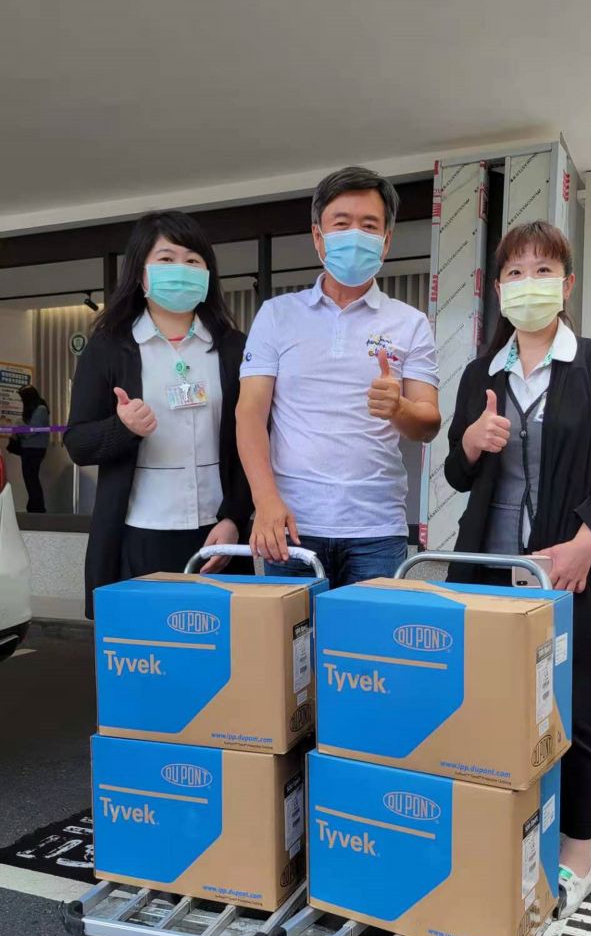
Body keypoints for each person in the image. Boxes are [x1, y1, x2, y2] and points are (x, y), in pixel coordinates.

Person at [444, 220, 591, 918]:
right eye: (514, 272)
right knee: (493, 705)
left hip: (575, 568)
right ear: (497, 288)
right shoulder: (482, 373)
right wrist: (472, 441)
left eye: (542, 271)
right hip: (491, 568)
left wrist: (587, 539)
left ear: (566, 284)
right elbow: (456, 472)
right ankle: (502, 832)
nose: (527, 284)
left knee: (573, 709)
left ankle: (575, 855)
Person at [236, 166, 441, 587]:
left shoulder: (411, 322)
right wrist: (265, 500)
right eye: (342, 223)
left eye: (369, 225)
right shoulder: (276, 315)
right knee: (290, 634)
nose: (355, 235)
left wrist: (399, 408)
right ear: (318, 237)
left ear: (386, 241)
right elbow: (250, 414)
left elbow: (428, 424)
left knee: (371, 633)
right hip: (291, 526)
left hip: (376, 529)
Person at [65, 210, 253, 619]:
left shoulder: (233, 348)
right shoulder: (109, 348)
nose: (180, 270)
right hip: (139, 532)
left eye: (193, 260)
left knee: (219, 644)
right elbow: (77, 443)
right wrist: (123, 428)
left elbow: (251, 443)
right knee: (145, 643)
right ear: (140, 273)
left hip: (217, 535)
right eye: (166, 259)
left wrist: (235, 519)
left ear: (208, 274)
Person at [15, 385, 50, 512]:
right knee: (30, 479)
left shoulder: (41, 409)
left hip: (34, 450)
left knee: (31, 479)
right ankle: (33, 506)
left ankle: (37, 508)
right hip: (29, 449)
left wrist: (19, 424)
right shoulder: (35, 409)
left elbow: (32, 430)